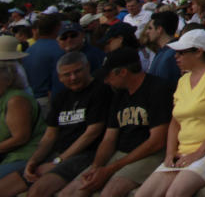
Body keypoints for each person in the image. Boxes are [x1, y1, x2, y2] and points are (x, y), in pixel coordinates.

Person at [136, 29, 205, 197]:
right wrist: (170, 153)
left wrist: (200, 152)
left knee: (175, 193)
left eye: (181, 53)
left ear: (198, 52)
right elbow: (175, 122)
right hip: (186, 150)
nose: (176, 57)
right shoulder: (183, 80)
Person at [59, 48, 172, 197]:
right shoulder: (119, 94)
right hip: (122, 153)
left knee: (110, 192)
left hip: (151, 154)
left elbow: (157, 141)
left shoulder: (157, 89)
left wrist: (109, 169)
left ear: (123, 72)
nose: (105, 81)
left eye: (108, 76)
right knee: (71, 191)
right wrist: (96, 167)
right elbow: (109, 138)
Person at [3, 52, 111, 197]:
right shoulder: (61, 96)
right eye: (67, 74)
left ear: (87, 67)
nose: (73, 78)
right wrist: (34, 160)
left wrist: (59, 161)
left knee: (37, 191)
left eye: (77, 71)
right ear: (60, 77)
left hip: (85, 155)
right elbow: (50, 135)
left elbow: (92, 132)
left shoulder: (100, 90)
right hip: (57, 153)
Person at [0, 37, 44, 189]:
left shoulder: (16, 99)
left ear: (7, 77)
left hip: (23, 155)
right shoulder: (5, 96)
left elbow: (20, 138)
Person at [21, 14, 63, 107]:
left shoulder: (29, 50)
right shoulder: (59, 50)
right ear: (57, 28)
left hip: (31, 100)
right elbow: (59, 83)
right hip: (49, 100)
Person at [145, 11, 182, 86]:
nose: (147, 32)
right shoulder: (165, 52)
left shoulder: (171, 54)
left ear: (159, 29)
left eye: (150, 28)